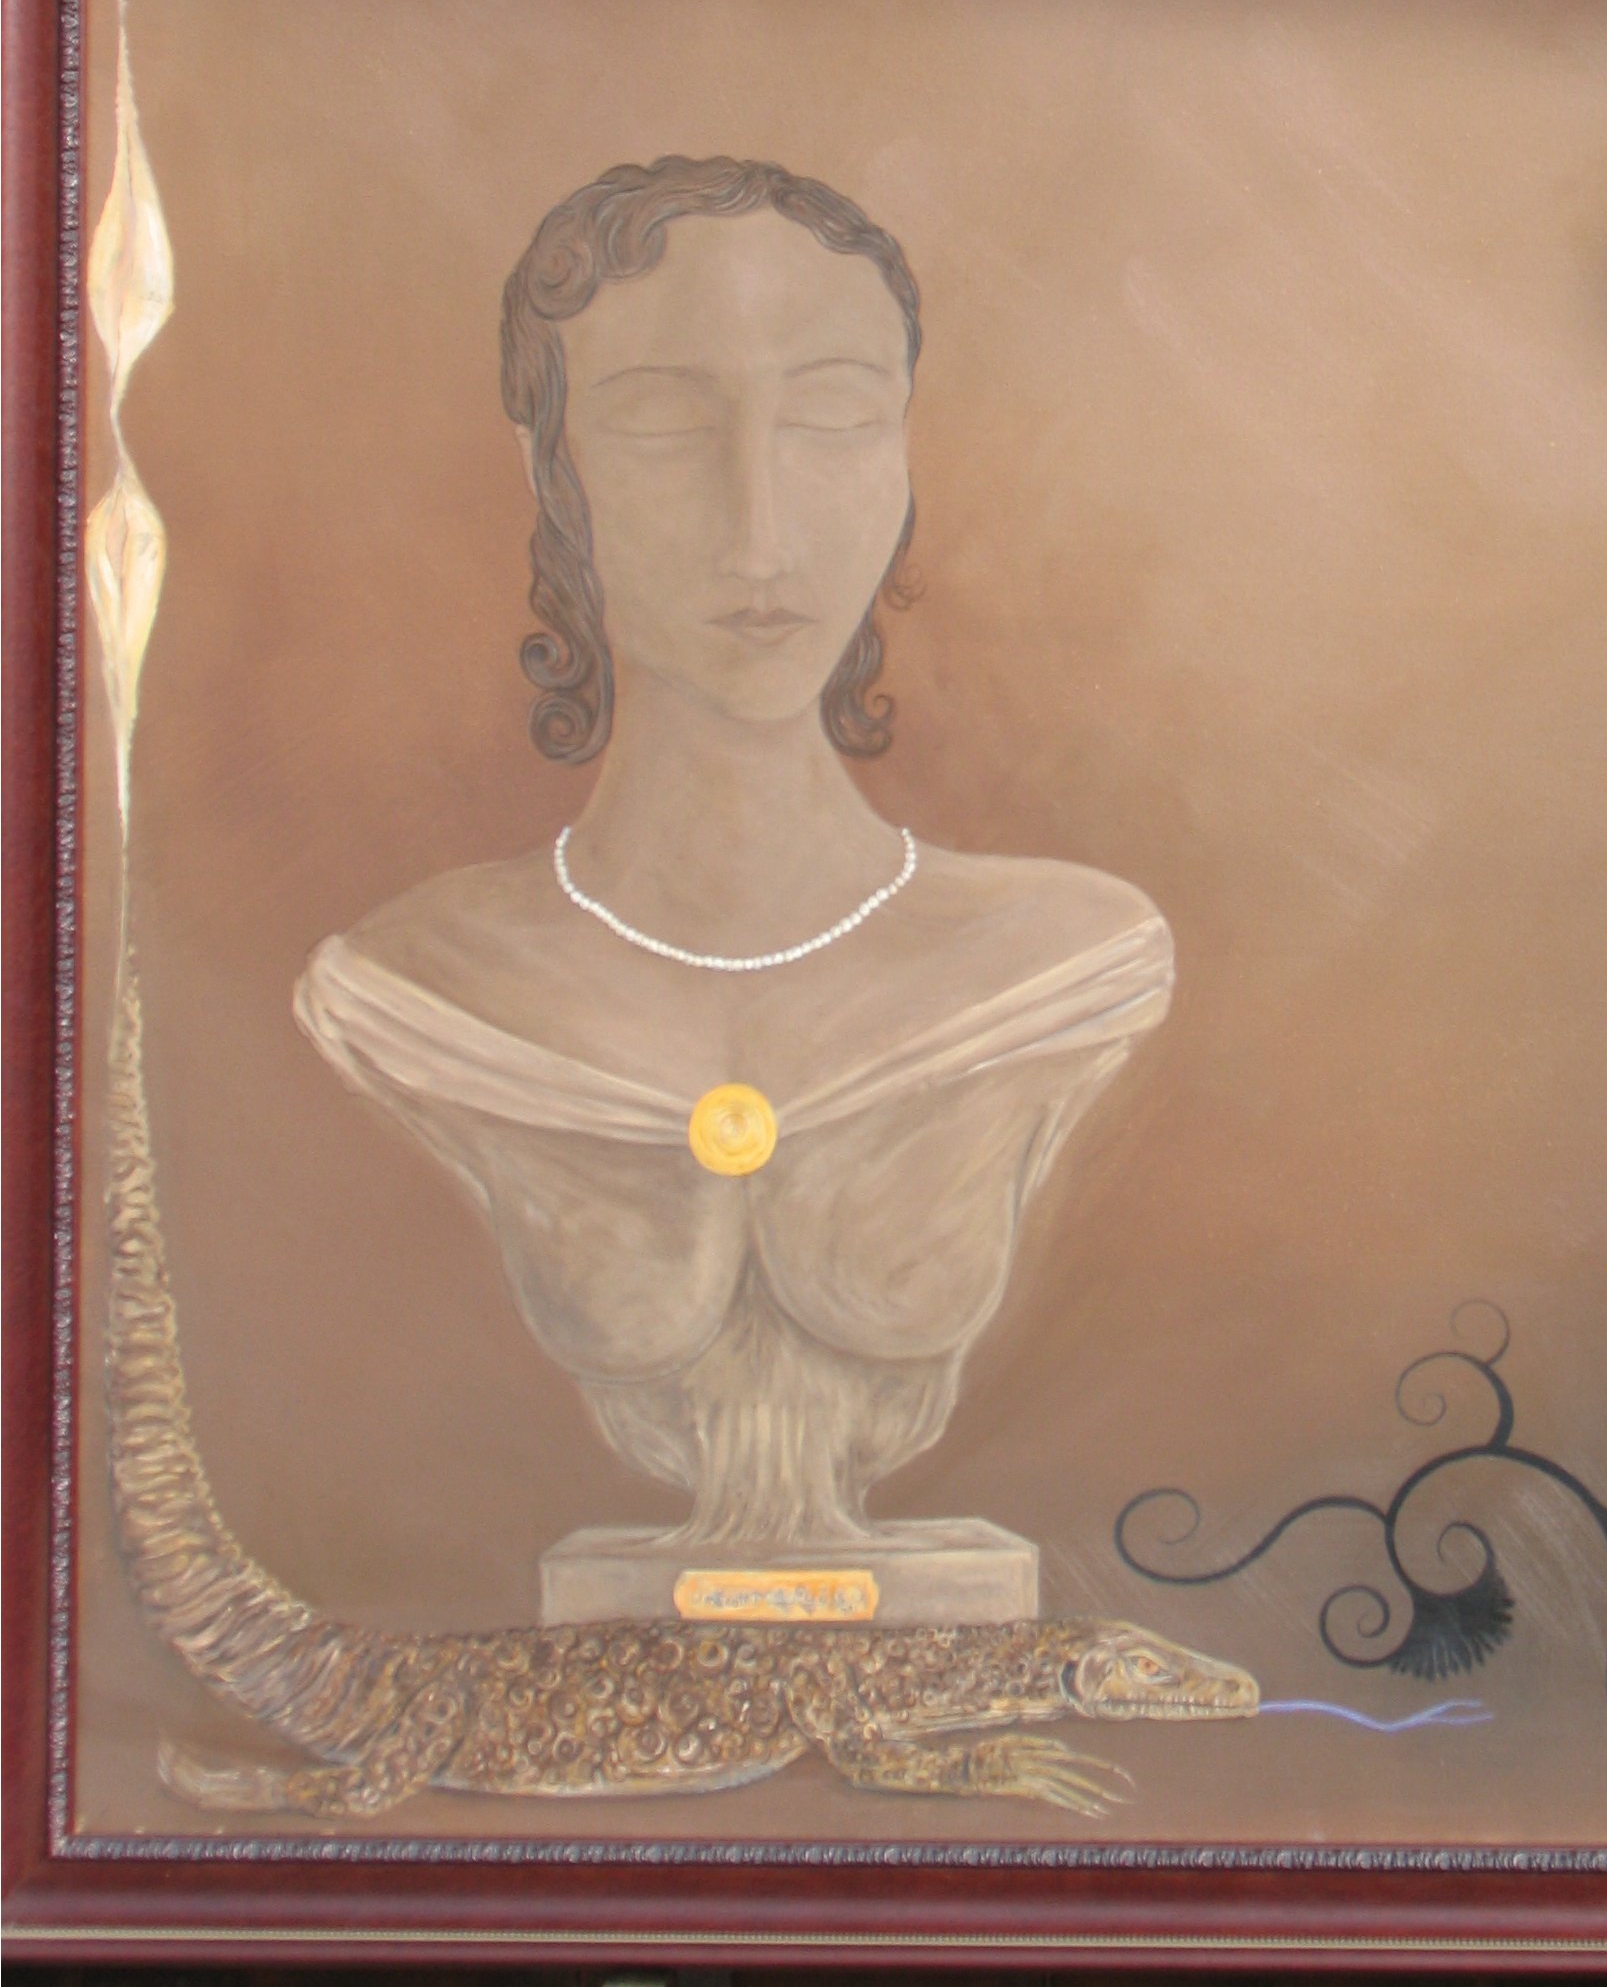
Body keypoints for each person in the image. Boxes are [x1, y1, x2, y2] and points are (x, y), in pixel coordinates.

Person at [295, 156, 1171, 1562]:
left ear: (902, 454)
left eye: (835, 415)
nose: (759, 529)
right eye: (657, 422)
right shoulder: (404, 990)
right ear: (551, 470)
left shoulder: (1074, 963)